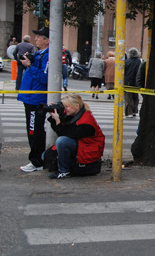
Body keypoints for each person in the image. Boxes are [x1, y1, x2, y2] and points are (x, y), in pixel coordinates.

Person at [45, 94, 105, 179]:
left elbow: (66, 134)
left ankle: (64, 171)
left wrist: (58, 121)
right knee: (46, 155)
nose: (64, 109)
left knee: (61, 141)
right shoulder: (76, 115)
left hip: (88, 149)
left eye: (66, 106)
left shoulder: (86, 121)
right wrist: (56, 116)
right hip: (82, 145)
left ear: (76, 106)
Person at [18, 27, 50, 173]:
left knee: (34, 131)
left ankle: (37, 161)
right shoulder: (39, 54)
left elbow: (45, 78)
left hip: (36, 99)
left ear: (47, 40)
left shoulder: (48, 56)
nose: (35, 39)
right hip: (30, 97)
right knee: (33, 130)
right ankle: (38, 159)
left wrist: (30, 66)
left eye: (39, 37)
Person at [124, 47, 142, 117]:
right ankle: (135, 110)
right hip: (135, 82)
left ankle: (129, 112)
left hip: (127, 82)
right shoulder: (139, 61)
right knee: (135, 97)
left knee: (128, 98)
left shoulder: (126, 61)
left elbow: (124, 72)